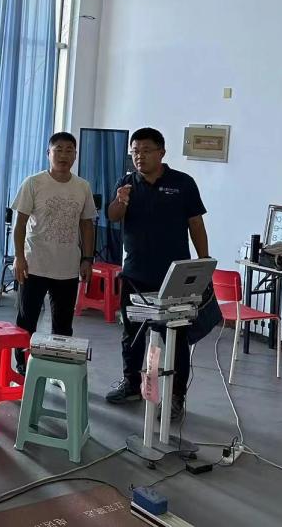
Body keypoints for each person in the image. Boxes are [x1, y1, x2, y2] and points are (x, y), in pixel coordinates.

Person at [104, 127, 212, 421]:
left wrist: (203, 263)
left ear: (161, 152)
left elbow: (196, 224)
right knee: (132, 333)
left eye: (146, 150)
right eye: (135, 152)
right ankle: (131, 384)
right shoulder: (126, 183)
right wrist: (120, 200)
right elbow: (113, 216)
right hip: (135, 274)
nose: (139, 156)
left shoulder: (182, 183)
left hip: (174, 277)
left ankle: (176, 396)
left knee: (175, 337)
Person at [12, 132, 96, 371]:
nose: (63, 155)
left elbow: (87, 225)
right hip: (34, 265)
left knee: (63, 325)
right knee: (27, 320)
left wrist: (87, 259)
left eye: (69, 150)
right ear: (48, 153)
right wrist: (19, 257)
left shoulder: (82, 187)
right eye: (58, 149)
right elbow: (20, 223)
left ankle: (60, 368)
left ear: (75, 155)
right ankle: (23, 366)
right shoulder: (33, 183)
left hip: (67, 268)